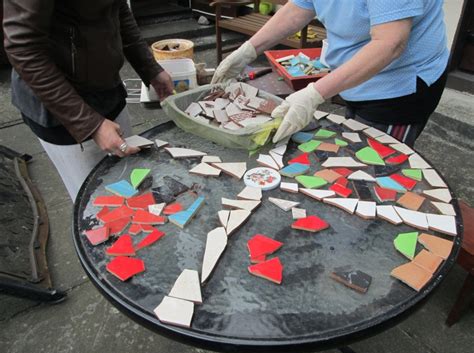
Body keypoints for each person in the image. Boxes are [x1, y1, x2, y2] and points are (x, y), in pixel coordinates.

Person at [212, 0, 449, 146]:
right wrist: (247, 50)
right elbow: (299, 8)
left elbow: (390, 43)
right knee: (351, 144)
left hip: (399, 86)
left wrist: (314, 93)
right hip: (357, 76)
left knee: (376, 165)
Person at [3, 0, 174, 200]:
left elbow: (118, 10)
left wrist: (150, 68)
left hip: (107, 88)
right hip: (61, 109)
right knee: (100, 204)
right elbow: (23, 50)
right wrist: (91, 124)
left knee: (135, 185)